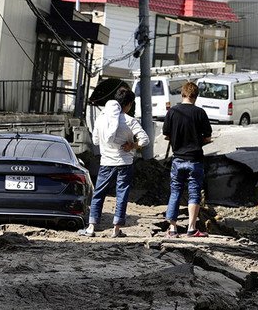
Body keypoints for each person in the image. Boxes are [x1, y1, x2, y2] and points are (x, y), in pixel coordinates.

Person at [80, 88, 149, 238]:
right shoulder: (130, 121)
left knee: (99, 193)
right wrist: (133, 145)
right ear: (129, 104)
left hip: (106, 162)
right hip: (124, 162)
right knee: (122, 194)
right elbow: (145, 140)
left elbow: (96, 141)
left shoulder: (101, 119)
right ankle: (116, 229)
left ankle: (91, 227)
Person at [163, 82, 212, 238]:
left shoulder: (172, 112)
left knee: (175, 191)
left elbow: (166, 135)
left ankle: (172, 229)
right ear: (196, 97)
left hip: (177, 159)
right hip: (195, 159)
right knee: (194, 193)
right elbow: (208, 137)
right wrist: (199, 141)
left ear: (182, 94)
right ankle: (191, 228)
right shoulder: (200, 113)